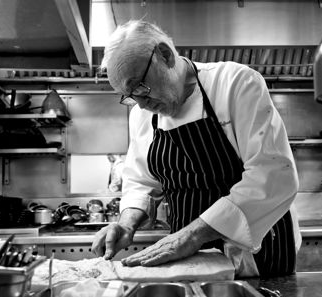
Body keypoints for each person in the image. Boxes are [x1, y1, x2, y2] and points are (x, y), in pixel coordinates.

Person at [91, 20, 301, 277]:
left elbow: (272, 175)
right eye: (129, 95)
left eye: (140, 88)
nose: (141, 104)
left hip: (256, 254)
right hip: (188, 257)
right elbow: (141, 182)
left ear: (165, 55)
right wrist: (126, 224)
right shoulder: (142, 115)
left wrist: (192, 236)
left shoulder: (236, 84)